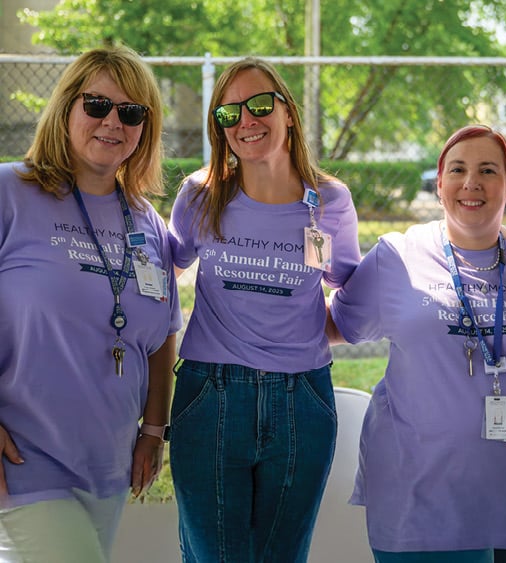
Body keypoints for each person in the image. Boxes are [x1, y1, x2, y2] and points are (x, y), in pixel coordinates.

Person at [330, 125, 506, 563]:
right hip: (421, 489)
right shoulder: (396, 256)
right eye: (458, 170)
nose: (471, 183)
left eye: (488, 170)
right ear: (440, 182)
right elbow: (334, 327)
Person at [167, 57, 361, 562]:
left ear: (288, 112)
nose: (245, 122)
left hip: (302, 400)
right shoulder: (201, 195)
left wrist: (313, 332)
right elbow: (166, 270)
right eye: (229, 113)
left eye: (257, 105)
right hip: (210, 395)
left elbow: (348, 287)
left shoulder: (329, 203)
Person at [0, 46, 179, 562]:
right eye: (97, 104)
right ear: (66, 108)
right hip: (24, 465)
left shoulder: (147, 222)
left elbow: (162, 336)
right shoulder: (11, 192)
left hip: (107, 467)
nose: (112, 122)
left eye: (131, 112)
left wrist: (153, 429)